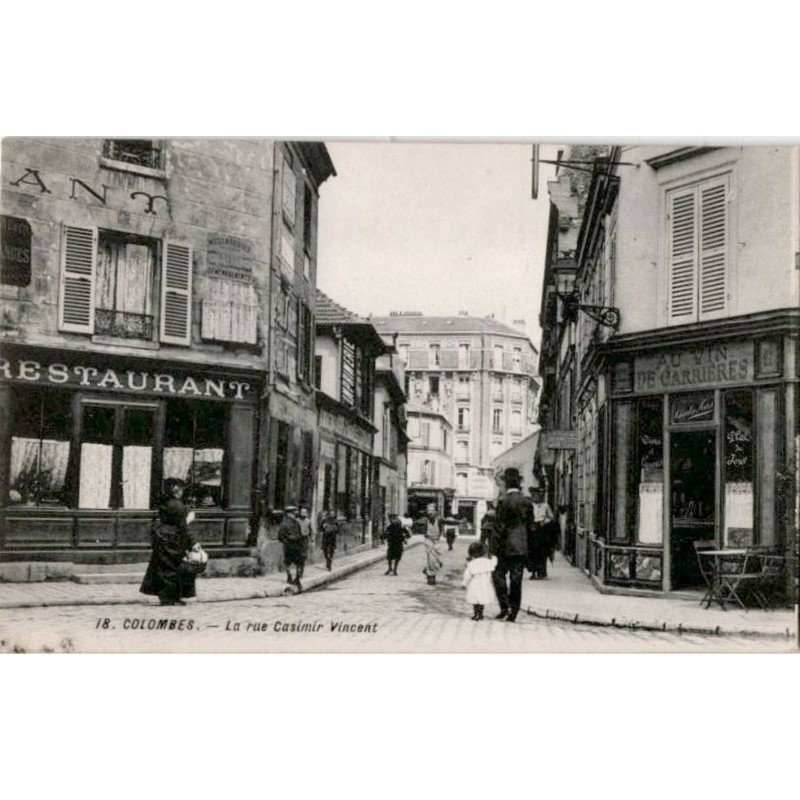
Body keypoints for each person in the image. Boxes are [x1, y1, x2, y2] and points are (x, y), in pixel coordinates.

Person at [140, 481, 197, 606]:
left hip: (163, 537)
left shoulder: (165, 503)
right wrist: (193, 540)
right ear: (178, 491)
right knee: (174, 568)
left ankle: (165, 596)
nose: (182, 492)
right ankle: (173, 597)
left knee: (163, 568)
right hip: (175, 539)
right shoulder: (180, 506)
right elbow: (183, 526)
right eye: (181, 489)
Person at [493, 468, 533, 622]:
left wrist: (494, 548)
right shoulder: (527, 502)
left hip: (505, 545)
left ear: (507, 483)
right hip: (521, 546)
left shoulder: (503, 502)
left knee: (498, 575)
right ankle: (513, 612)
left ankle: (505, 606)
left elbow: (499, 527)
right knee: (516, 580)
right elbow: (531, 527)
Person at [462, 541, 498, 621]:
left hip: (475, 583)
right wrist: (493, 556)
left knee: (475, 600)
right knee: (482, 599)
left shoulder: (471, 563)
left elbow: (467, 575)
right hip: (485, 583)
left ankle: (476, 614)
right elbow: (494, 563)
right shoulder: (487, 562)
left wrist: (464, 583)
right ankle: (481, 614)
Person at [528, 487, 555, 579]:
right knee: (532, 552)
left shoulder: (545, 506)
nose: (536, 497)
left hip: (542, 530)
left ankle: (541, 571)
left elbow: (551, 517)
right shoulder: (530, 506)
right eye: (534, 496)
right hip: (533, 530)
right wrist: (530, 524)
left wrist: (545, 521)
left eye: (537, 496)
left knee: (542, 552)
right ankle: (533, 572)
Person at [278, 506, 306, 592]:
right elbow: (280, 536)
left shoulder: (296, 523)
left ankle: (297, 579)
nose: (295, 514)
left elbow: (300, 534)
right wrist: (287, 542)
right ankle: (289, 577)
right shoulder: (284, 524)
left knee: (299, 562)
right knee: (288, 562)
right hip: (289, 545)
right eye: (294, 513)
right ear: (289, 514)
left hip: (297, 545)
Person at [421, 505, 444, 585]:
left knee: (436, 560)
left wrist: (459, 521)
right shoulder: (425, 521)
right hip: (428, 541)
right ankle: (432, 577)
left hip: (436, 541)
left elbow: (447, 522)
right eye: (429, 510)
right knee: (431, 559)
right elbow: (424, 531)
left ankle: (427, 571)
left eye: (432, 510)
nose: (430, 512)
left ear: (436, 512)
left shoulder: (439, 520)